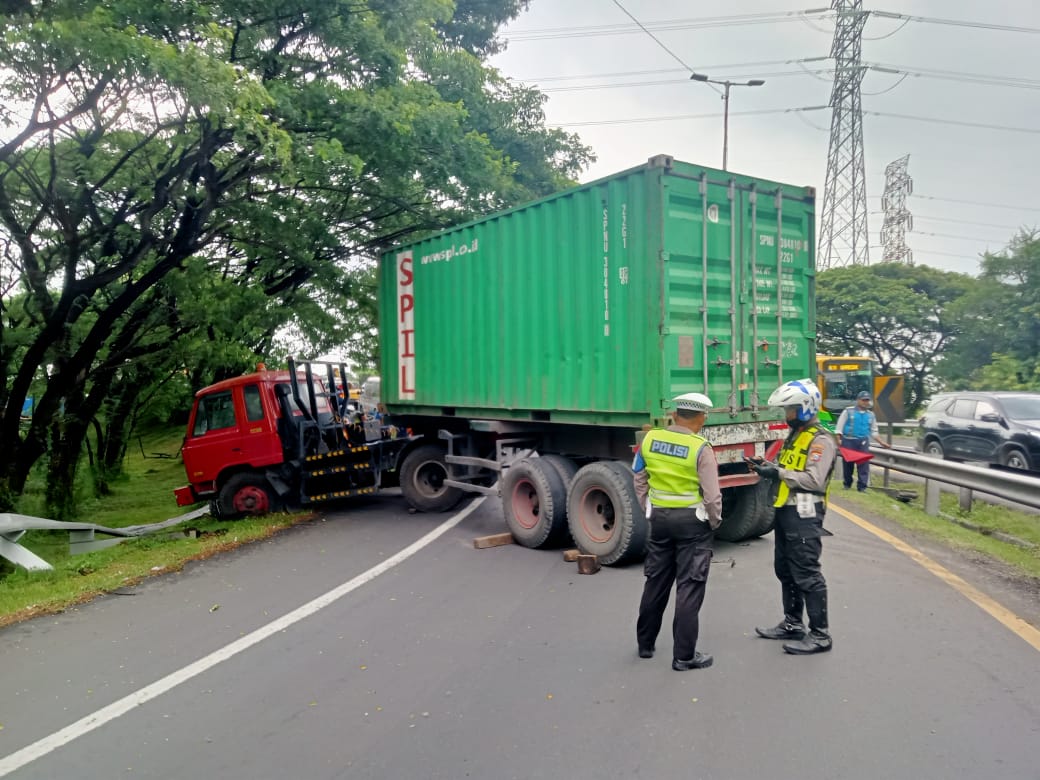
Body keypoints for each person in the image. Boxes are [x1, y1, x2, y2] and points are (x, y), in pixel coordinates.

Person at [632, 392, 723, 671]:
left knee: (656, 581)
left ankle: (645, 645)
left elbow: (639, 477)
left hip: (659, 520)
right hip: (692, 525)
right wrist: (714, 521)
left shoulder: (650, 439)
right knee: (689, 586)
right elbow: (711, 495)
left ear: (674, 414)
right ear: (701, 418)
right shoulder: (700, 448)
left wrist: (649, 506)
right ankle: (684, 656)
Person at [746, 378, 837, 655]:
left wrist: (779, 473)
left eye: (790, 410)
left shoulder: (821, 439)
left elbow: (815, 480)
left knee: (807, 573)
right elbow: (790, 467)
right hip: (787, 510)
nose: (787, 415)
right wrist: (769, 467)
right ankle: (792, 623)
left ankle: (820, 634)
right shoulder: (797, 435)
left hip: (805, 514)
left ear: (806, 408)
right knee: (785, 570)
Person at [835, 390, 892, 491]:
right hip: (848, 441)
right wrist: (839, 439)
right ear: (858, 400)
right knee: (848, 465)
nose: (865, 402)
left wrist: (882, 442)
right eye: (863, 400)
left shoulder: (871, 415)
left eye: (867, 400)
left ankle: (862, 487)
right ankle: (847, 484)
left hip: (863, 442)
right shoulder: (848, 411)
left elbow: (874, 431)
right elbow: (839, 427)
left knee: (863, 465)